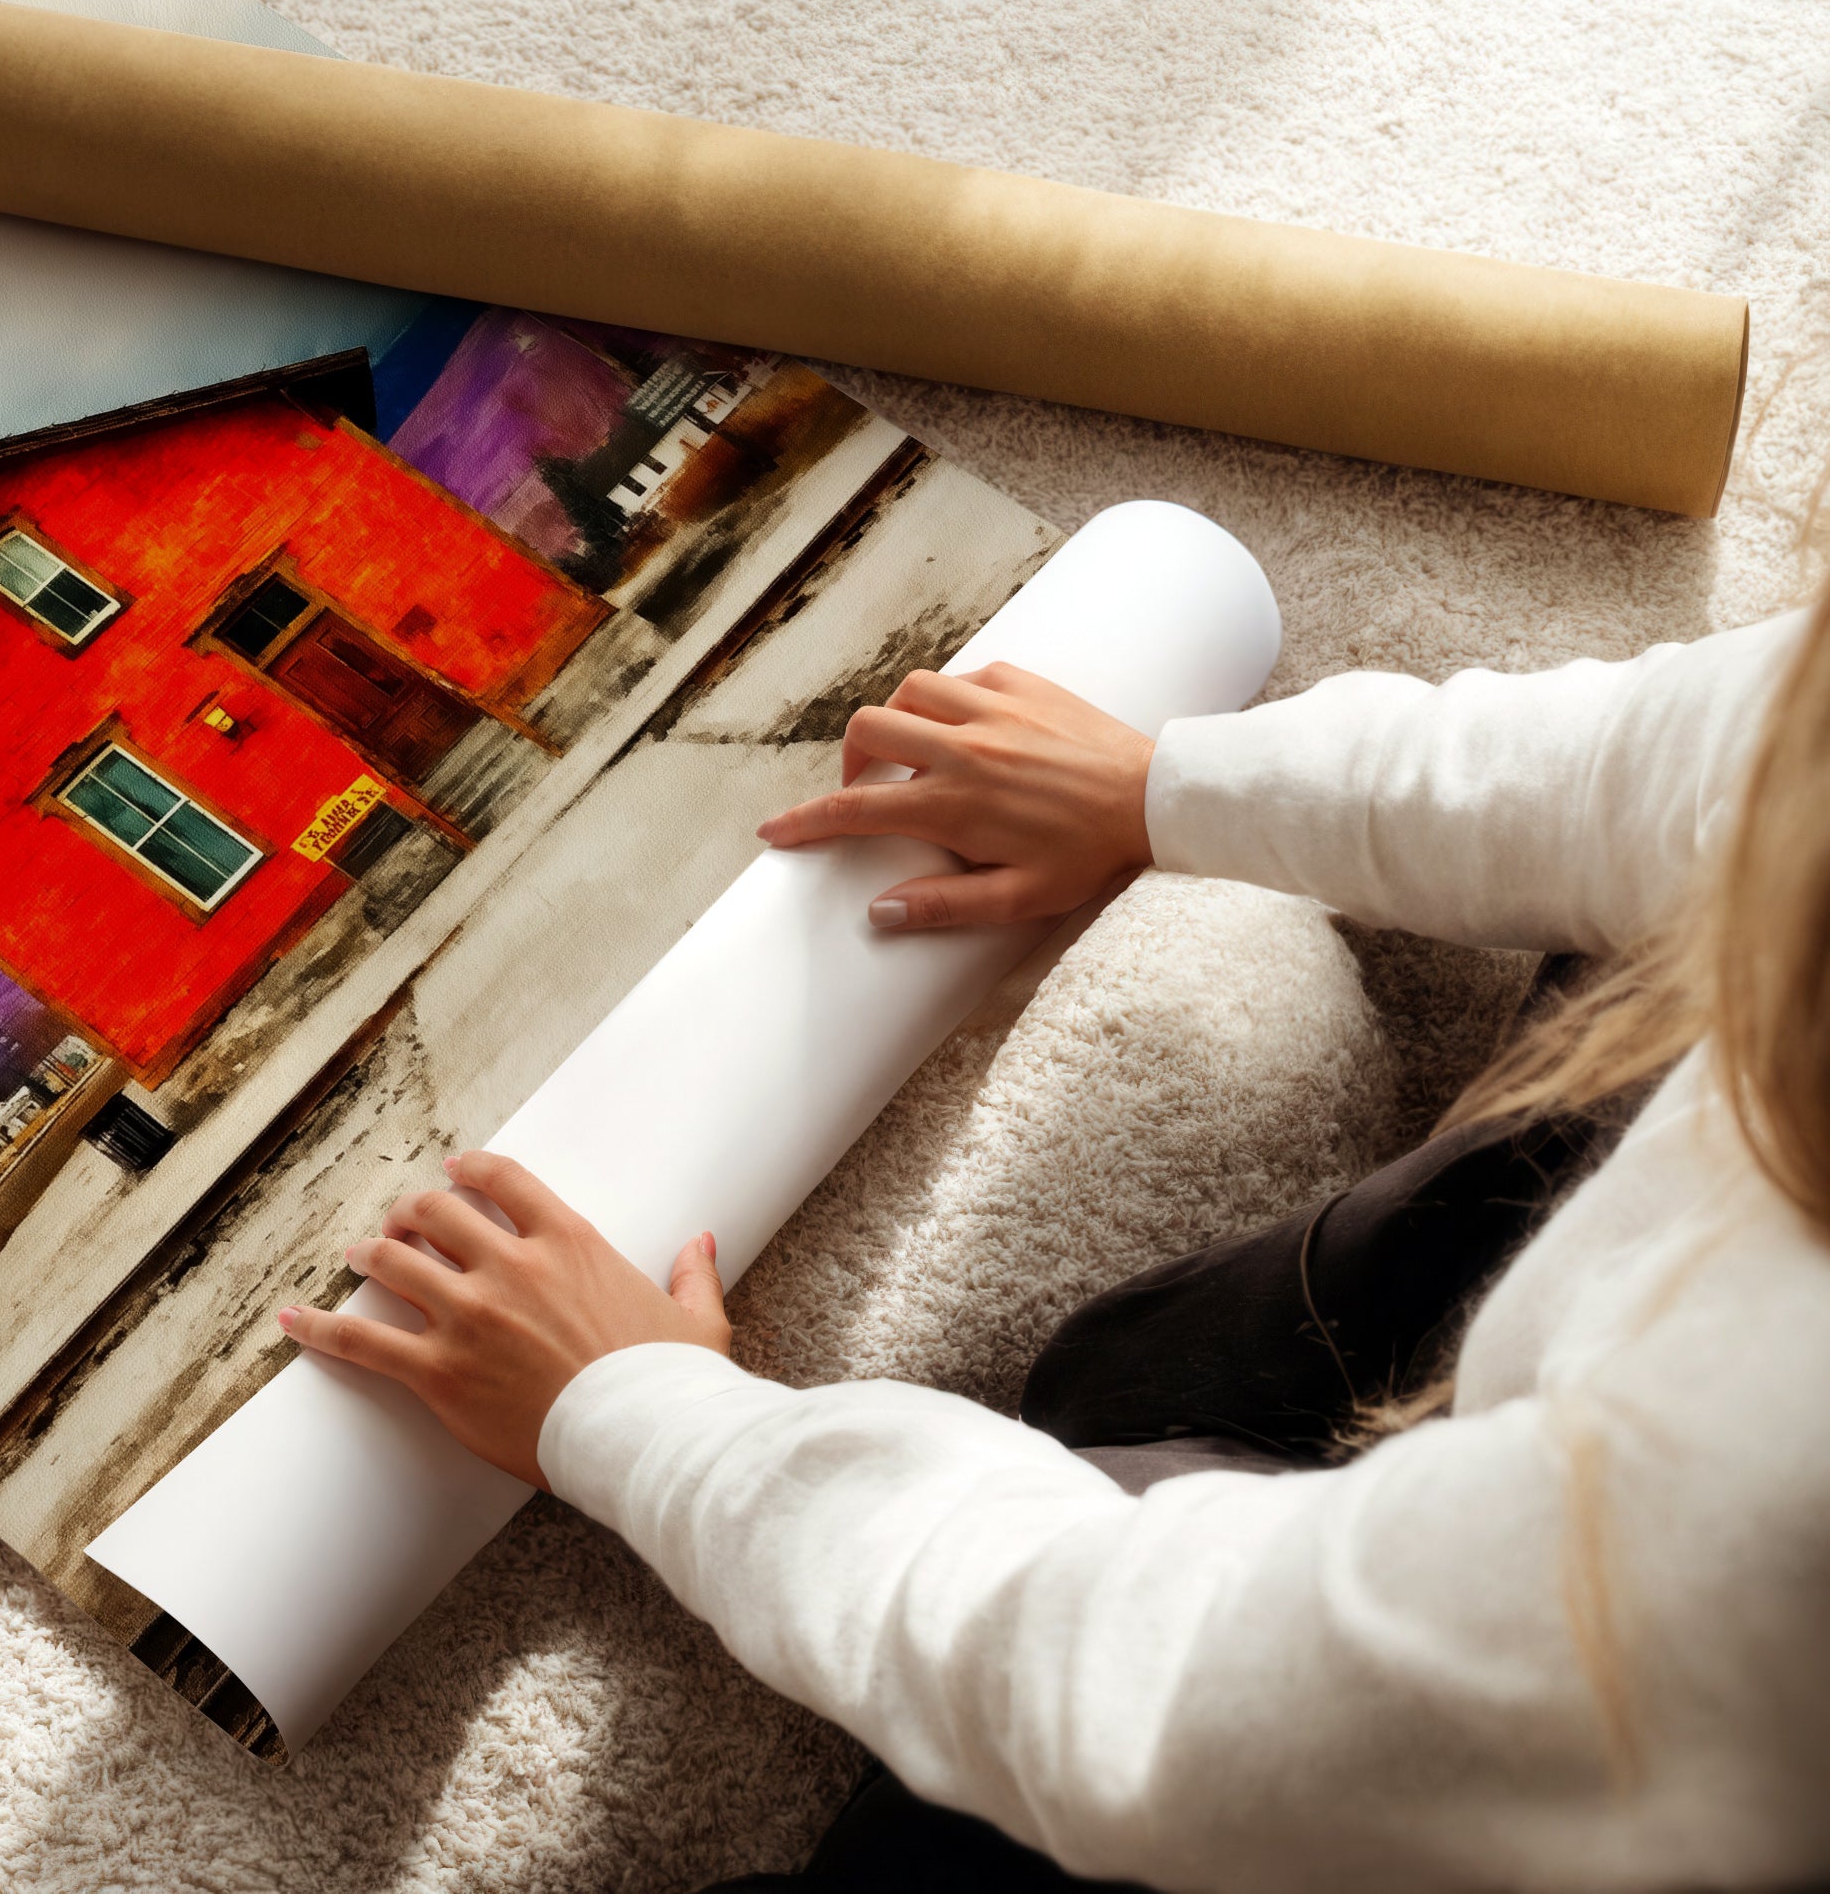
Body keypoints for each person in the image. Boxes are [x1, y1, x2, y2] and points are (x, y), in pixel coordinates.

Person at [278, 603, 1830, 1891]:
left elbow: (1159, 1695)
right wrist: (1165, 785)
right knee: (1128, 1372)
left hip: (1611, 1755)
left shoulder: (1757, 1510)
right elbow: (1707, 754)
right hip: (1621, 1450)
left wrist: (644, 1416)